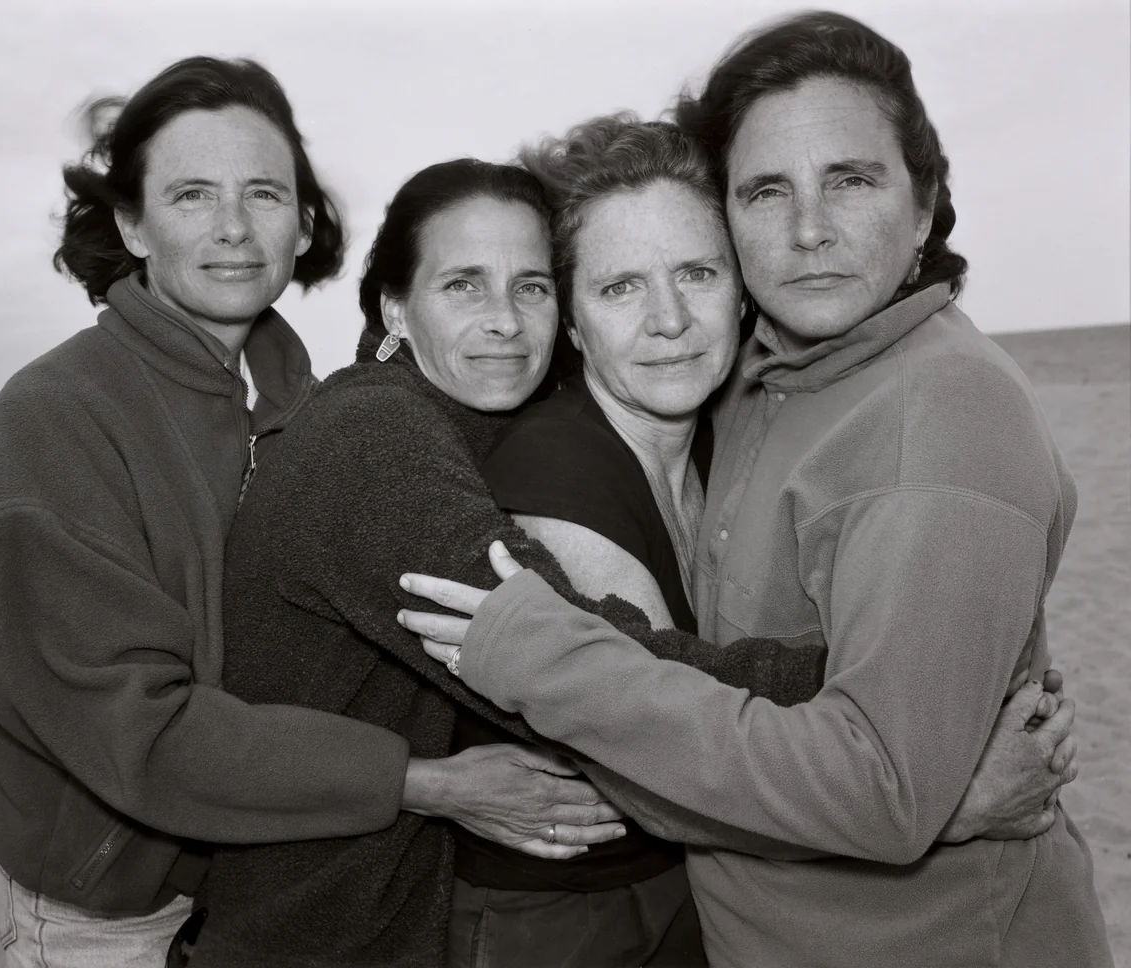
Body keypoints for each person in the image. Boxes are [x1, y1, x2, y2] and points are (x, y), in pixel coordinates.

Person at [400, 13, 1114, 968]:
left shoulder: (933, 418)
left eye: (851, 180)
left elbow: (875, 788)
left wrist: (924, 801)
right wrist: (946, 796)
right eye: (767, 190)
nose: (810, 231)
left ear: (925, 198)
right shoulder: (767, 383)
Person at [0, 58, 618, 968]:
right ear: (131, 223)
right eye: (192, 194)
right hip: (111, 914)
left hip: (256, 880)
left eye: (264, 193)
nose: (233, 227)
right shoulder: (59, 419)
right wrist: (424, 783)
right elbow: (138, 730)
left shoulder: (299, 399)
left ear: (303, 225)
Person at [189, 158, 833, 968]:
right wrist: (854, 684)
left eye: (531, 286)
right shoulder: (371, 439)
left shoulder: (469, 419)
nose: (505, 320)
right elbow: (588, 661)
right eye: (464, 285)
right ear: (394, 306)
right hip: (326, 929)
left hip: (392, 899)